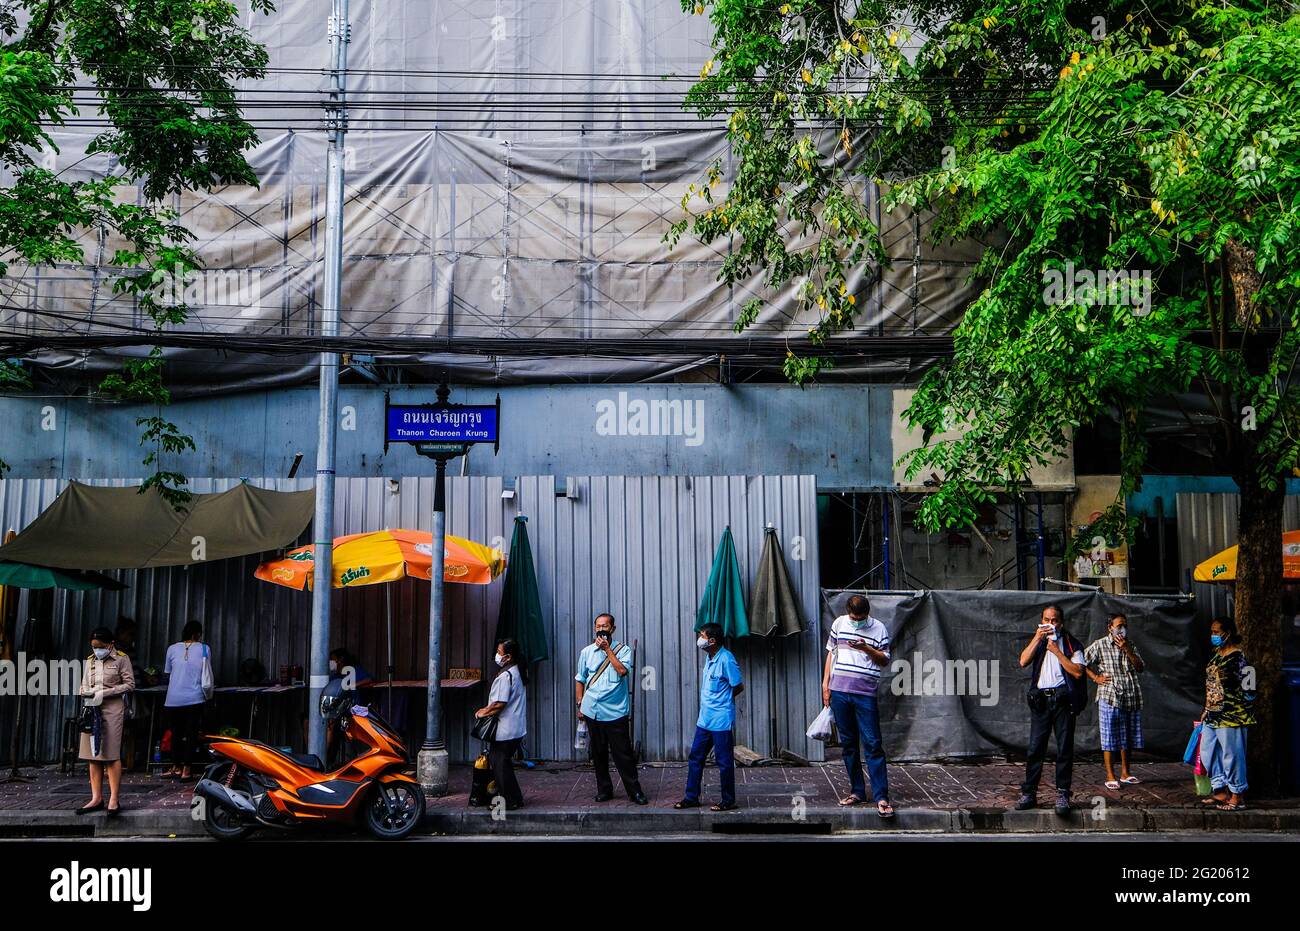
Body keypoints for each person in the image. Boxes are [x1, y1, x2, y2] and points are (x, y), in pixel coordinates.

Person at [822, 593, 894, 817]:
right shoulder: (839, 623)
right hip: (840, 691)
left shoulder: (878, 628)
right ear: (848, 613)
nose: (857, 622)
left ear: (867, 614)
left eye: (860, 618)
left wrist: (866, 648)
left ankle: (881, 796)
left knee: (873, 744)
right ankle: (857, 791)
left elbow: (884, 660)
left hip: (865, 693)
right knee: (848, 744)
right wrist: (826, 685)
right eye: (854, 618)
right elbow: (831, 654)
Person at [1015, 604, 1086, 815]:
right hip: (1041, 701)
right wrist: (1038, 638)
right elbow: (1022, 661)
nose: (1050, 624)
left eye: (1053, 620)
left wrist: (1056, 651)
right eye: (1046, 620)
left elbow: (1078, 672)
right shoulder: (1039, 642)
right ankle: (1030, 793)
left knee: (1064, 748)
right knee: (1035, 748)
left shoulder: (1072, 643)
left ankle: (1063, 794)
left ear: (1061, 623)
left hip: (1063, 700)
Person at [574, 612, 648, 804]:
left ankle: (635, 791)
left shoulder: (623, 650)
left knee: (623, 754)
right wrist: (580, 703)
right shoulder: (586, 652)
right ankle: (604, 790)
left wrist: (608, 651)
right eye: (598, 626)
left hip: (615, 712)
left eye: (604, 626)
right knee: (598, 754)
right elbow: (580, 679)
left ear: (612, 629)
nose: (601, 629)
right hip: (593, 711)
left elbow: (622, 671)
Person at [674, 623, 744, 812]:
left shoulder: (726, 659)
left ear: (712, 641)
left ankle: (728, 800)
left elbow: (737, 685)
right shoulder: (710, 656)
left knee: (724, 762)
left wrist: (724, 701)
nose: (700, 639)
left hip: (721, 720)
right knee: (695, 757)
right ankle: (691, 798)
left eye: (702, 636)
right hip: (704, 719)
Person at [76, 627, 135, 815]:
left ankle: (114, 799)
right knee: (92, 756)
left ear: (110, 644)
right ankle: (96, 798)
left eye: (100, 646)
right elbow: (84, 683)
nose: (97, 650)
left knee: (110, 754)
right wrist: (84, 690)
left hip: (112, 711)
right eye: (94, 647)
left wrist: (105, 692)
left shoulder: (121, 659)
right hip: (92, 710)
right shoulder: (90, 661)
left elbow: (130, 684)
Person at [1084, 613, 1146, 789]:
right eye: (1119, 625)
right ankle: (1110, 775)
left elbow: (1140, 667)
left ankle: (1126, 773)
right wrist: (1096, 677)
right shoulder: (1100, 644)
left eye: (1124, 625)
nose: (1122, 629)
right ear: (1110, 627)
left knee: (1127, 735)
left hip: (1131, 694)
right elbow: (1081, 661)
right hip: (1110, 695)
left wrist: (1128, 650)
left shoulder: (1130, 645)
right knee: (1109, 735)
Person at [1199, 616, 1254, 812]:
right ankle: (1220, 790)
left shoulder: (1239, 658)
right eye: (1212, 631)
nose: (1213, 635)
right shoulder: (1216, 654)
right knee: (1208, 752)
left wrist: (1240, 707)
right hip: (1213, 714)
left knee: (1232, 755)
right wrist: (1206, 708)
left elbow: (1250, 687)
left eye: (1216, 632)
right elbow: (1210, 684)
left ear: (1227, 633)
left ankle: (1237, 795)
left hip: (1231, 715)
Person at [474, 638, 528, 810]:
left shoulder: (506, 675)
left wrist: (482, 712)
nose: (497, 655)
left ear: (508, 656)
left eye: (499, 652)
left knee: (499, 764)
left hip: (506, 730)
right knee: (503, 763)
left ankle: (508, 800)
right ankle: (515, 798)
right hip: (515, 728)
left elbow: (499, 703)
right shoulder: (517, 671)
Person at [161, 621, 211, 781]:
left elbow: (167, 672)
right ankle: (186, 770)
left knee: (176, 734)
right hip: (195, 698)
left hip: (173, 699)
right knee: (191, 734)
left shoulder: (172, 649)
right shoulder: (204, 648)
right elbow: (207, 672)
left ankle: (176, 767)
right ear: (197, 634)